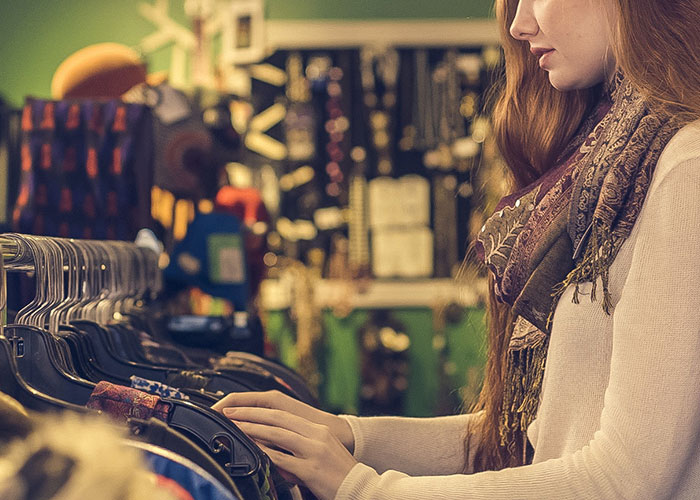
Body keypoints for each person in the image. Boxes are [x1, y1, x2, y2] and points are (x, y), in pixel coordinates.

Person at [213, 0, 700, 498]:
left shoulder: (683, 171)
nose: (519, 24)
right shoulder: (608, 164)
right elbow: (532, 436)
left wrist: (362, 488)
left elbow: (623, 481)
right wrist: (350, 437)